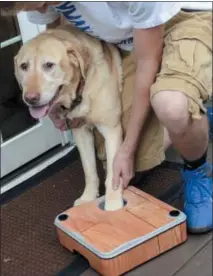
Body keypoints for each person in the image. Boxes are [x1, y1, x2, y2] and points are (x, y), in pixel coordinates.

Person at [1, 2, 212, 233]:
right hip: (131, 39)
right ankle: (191, 119)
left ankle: (197, 168)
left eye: (39, 3)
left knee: (170, 106)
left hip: (186, 19)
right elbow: (53, 38)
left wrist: (127, 149)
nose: (40, 11)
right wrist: (57, 100)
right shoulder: (40, 2)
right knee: (130, 165)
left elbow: (148, 61)